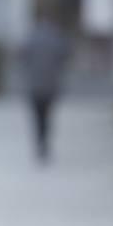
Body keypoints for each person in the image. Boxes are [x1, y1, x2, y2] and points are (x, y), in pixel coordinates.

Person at [19, 17, 72, 163]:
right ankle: (45, 142)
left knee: (37, 116)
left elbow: (22, 56)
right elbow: (65, 56)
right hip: (51, 84)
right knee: (47, 115)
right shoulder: (56, 38)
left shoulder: (32, 38)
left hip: (34, 85)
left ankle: (39, 141)